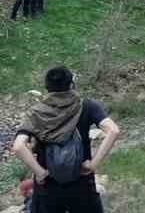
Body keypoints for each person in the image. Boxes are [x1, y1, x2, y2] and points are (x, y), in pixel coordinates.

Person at [12, 66, 121, 212]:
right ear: (71, 84)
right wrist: (93, 164)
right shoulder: (87, 106)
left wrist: (40, 172)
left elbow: (18, 147)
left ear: (47, 87)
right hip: (81, 183)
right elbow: (113, 131)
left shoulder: (37, 112)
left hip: (47, 187)